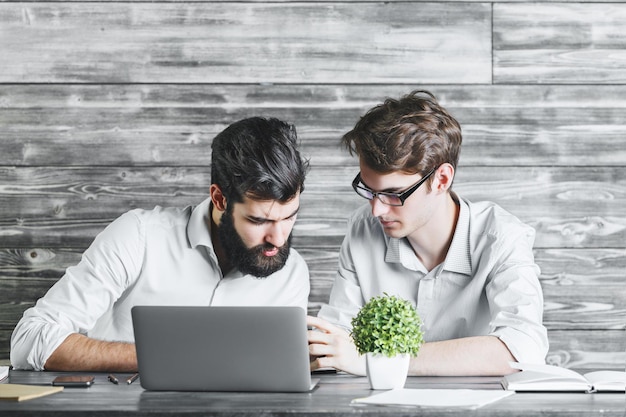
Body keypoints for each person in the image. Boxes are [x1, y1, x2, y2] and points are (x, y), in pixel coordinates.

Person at [11, 116, 311, 372]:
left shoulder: (292, 271)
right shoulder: (139, 237)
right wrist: (167, 357)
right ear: (219, 199)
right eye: (259, 221)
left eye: (289, 217)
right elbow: (29, 339)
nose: (279, 239)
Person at [307, 90, 548, 376]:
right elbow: (337, 340)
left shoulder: (502, 236)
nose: (376, 210)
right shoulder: (363, 229)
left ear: (441, 179)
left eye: (394, 194)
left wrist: (381, 361)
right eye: (369, 191)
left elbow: (523, 349)